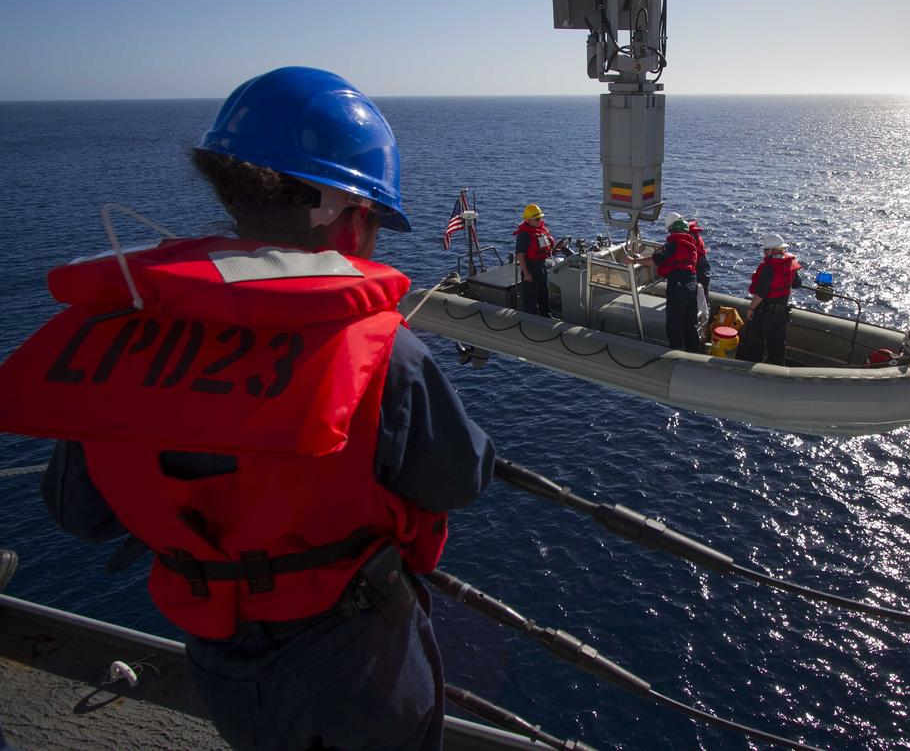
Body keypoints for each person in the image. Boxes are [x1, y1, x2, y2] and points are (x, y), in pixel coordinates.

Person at [0, 67, 494, 751]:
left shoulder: (113, 332)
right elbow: (457, 478)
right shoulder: (382, 352)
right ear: (350, 218)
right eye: (375, 218)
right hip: (357, 656)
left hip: (220, 654)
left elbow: (80, 511)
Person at [627, 217, 704, 353]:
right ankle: (694, 353)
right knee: (690, 322)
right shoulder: (691, 243)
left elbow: (655, 260)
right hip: (692, 284)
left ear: (672, 230)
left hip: (678, 287)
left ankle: (676, 352)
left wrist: (634, 260)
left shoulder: (673, 245)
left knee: (674, 322)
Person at [737, 233, 803, 365]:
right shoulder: (790, 265)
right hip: (781, 313)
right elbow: (797, 284)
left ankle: (751, 372)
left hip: (764, 313)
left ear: (771, 250)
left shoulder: (768, 268)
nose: (764, 253)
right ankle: (778, 371)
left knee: (755, 344)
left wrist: (751, 309)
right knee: (777, 346)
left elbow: (760, 294)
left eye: (765, 250)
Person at [513, 203, 555, 316]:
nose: (539, 221)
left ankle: (546, 317)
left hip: (542, 268)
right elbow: (520, 256)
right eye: (537, 219)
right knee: (531, 299)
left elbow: (546, 250)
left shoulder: (542, 231)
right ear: (529, 220)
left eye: (540, 218)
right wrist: (526, 274)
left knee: (544, 295)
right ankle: (531, 322)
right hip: (530, 269)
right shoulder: (524, 235)